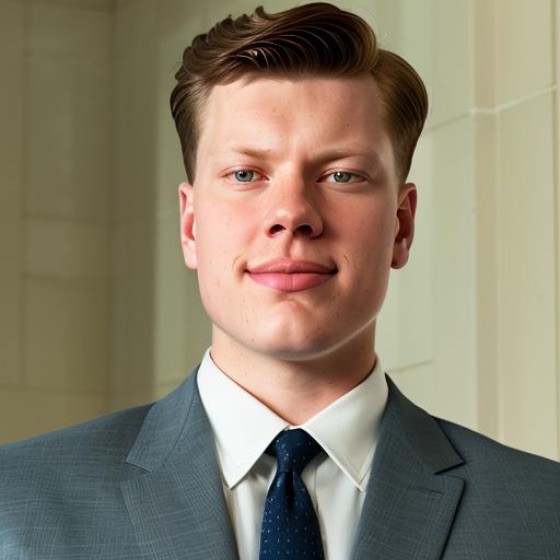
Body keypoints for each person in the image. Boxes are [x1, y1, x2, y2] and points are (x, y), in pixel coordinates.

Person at [1, 3, 559, 559]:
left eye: (341, 174)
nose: (292, 213)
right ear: (191, 227)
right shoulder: (14, 505)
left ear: (401, 226)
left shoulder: (544, 515)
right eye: (245, 174)